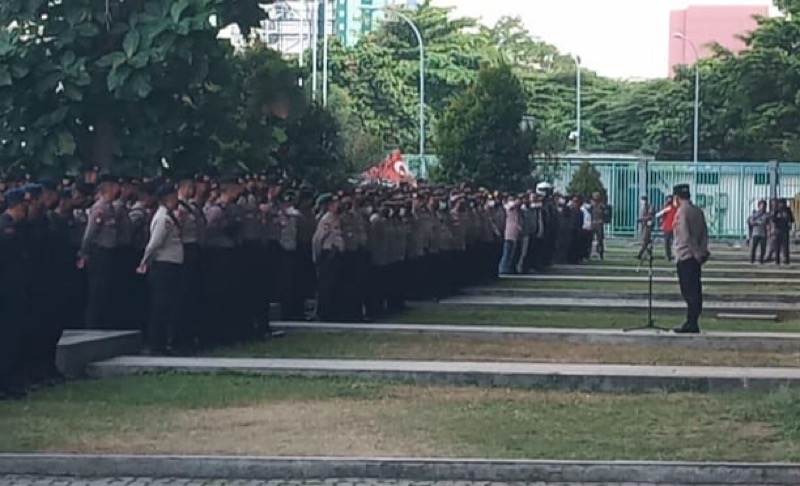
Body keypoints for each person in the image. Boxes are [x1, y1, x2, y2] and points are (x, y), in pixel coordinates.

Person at [137, 184, 184, 355]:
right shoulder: (163, 218)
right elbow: (155, 243)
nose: (177, 200)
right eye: (173, 197)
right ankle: (155, 343)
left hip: (172, 264)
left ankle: (163, 342)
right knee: (160, 305)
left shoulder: (170, 216)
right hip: (164, 265)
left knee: (168, 305)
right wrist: (145, 262)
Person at [0, 189, 30, 399]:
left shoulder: (16, 228)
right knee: (7, 339)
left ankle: (10, 382)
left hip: (14, 289)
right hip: (7, 291)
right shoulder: (6, 227)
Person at [672, 184, 710, 334]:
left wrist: (695, 252)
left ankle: (691, 322)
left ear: (677, 197)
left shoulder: (682, 212)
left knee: (688, 290)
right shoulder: (697, 211)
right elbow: (704, 233)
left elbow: (685, 235)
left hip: (686, 254)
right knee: (695, 288)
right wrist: (702, 251)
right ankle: (692, 320)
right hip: (696, 256)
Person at [772, 198, 794, 266]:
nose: (781, 204)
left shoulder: (787, 210)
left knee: (785, 246)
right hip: (778, 230)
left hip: (785, 230)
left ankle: (786, 260)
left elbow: (792, 220)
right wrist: (773, 229)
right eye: (780, 203)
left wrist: (791, 226)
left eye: (783, 203)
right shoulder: (776, 210)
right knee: (777, 247)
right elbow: (773, 220)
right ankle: (777, 260)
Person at [748, 200, 770, 265]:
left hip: (763, 233)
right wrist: (757, 222)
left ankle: (761, 260)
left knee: (763, 248)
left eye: (764, 206)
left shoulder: (767, 215)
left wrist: (768, 230)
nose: (762, 208)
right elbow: (751, 222)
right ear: (758, 206)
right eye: (761, 206)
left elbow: (768, 224)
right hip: (756, 233)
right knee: (754, 247)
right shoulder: (755, 214)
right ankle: (752, 260)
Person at [656, 196, 677, 261]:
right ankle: (673, 255)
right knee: (674, 242)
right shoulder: (675, 208)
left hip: (668, 228)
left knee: (667, 243)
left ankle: (668, 255)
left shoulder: (668, 208)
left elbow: (658, 214)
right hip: (674, 227)